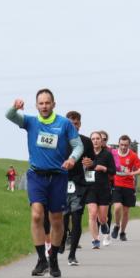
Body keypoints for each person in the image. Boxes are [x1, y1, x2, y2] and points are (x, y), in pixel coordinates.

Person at [5, 89, 83, 278]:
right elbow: (9, 116)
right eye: (41, 103)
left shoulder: (64, 124)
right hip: (36, 175)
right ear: (36, 105)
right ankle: (41, 260)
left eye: (47, 103)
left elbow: (78, 145)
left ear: (53, 104)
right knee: (37, 215)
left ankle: (53, 258)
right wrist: (14, 107)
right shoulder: (31, 122)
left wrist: (72, 159)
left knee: (56, 219)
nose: (44, 106)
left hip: (58, 176)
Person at [60, 111, 95, 266]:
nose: (73, 126)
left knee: (76, 218)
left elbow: (92, 161)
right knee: (63, 218)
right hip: (61, 182)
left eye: (76, 123)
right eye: (70, 123)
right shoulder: (59, 139)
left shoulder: (86, 141)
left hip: (79, 184)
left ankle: (72, 254)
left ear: (79, 124)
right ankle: (62, 239)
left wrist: (90, 163)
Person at [84, 131, 116, 248]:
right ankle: (95, 239)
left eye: (98, 138)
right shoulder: (86, 154)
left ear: (101, 141)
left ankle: (103, 224)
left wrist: (104, 168)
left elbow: (113, 171)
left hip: (103, 188)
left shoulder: (107, 154)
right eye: (93, 139)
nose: (95, 141)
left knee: (102, 218)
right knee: (92, 214)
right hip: (90, 188)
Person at [110, 135, 140, 241]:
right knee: (117, 207)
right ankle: (116, 225)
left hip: (128, 186)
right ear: (118, 144)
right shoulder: (113, 153)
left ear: (129, 145)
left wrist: (132, 173)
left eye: (126, 145)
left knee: (125, 211)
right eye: (122, 145)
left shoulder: (133, 155)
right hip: (116, 184)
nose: (123, 147)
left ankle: (122, 232)